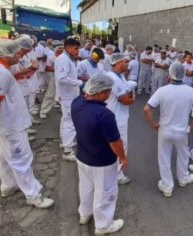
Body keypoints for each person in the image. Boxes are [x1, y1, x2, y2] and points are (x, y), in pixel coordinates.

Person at [0, 38, 54, 208]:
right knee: (21, 159)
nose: (19, 55)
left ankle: (8, 185)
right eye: (16, 52)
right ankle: (33, 195)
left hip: (3, 123)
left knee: (4, 157)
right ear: (5, 54)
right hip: (11, 123)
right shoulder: (1, 73)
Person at [71, 74, 127, 235]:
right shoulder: (105, 114)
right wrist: (122, 158)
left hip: (83, 156)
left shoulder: (77, 103)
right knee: (105, 192)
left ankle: (85, 213)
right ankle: (103, 225)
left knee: (86, 188)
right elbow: (115, 142)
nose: (109, 95)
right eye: (108, 92)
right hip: (102, 161)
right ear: (101, 93)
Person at [143, 63, 193, 197]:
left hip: (165, 130)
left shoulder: (162, 91)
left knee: (164, 158)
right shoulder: (191, 91)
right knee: (183, 155)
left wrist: (153, 124)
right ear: (183, 75)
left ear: (170, 74)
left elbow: (146, 109)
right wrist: (192, 126)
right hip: (182, 131)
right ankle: (183, 179)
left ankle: (167, 186)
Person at [105, 54, 136, 185]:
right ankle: (118, 174)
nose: (128, 64)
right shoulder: (113, 79)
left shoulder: (120, 77)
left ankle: (110, 172)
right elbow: (125, 99)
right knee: (121, 145)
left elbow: (127, 93)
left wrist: (129, 95)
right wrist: (132, 99)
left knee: (112, 145)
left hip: (118, 115)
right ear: (117, 63)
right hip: (117, 117)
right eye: (125, 62)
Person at [55, 38, 83, 161]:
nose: (78, 51)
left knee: (66, 120)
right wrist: (79, 83)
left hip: (69, 95)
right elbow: (62, 78)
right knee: (70, 122)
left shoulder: (69, 59)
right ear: (68, 48)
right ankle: (67, 150)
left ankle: (64, 141)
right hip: (67, 96)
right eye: (76, 49)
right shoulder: (63, 59)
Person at [40, 40, 64, 119]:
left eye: (62, 48)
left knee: (64, 95)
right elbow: (47, 68)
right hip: (55, 78)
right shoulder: (51, 57)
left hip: (64, 79)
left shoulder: (65, 57)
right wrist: (57, 69)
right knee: (50, 95)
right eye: (59, 48)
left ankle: (64, 110)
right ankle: (43, 112)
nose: (61, 49)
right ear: (55, 48)